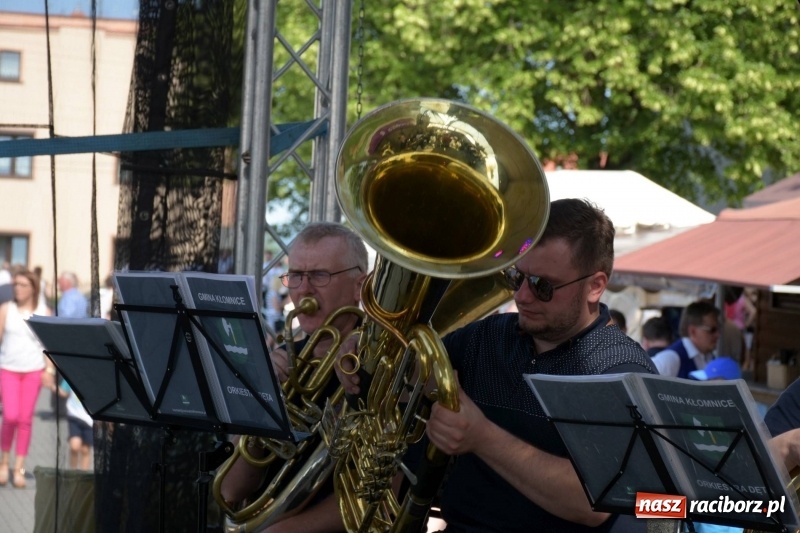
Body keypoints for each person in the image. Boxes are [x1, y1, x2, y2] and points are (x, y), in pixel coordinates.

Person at [339, 198, 657, 532]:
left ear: (595, 286)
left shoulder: (621, 370)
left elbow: (593, 501)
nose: (521, 296)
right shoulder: (489, 335)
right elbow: (418, 375)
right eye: (518, 276)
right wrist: (368, 353)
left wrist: (482, 436)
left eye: (542, 286)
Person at [219, 221, 368, 533]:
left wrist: (286, 530)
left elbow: (387, 489)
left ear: (360, 285)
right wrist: (264, 399)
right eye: (296, 275)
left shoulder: (378, 363)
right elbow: (229, 490)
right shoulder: (283, 359)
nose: (303, 289)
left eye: (319, 275)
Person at [0, 268, 53, 488]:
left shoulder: (44, 312)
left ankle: (18, 468)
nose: (18, 289)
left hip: (33, 370)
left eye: (22, 285)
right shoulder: (6, 309)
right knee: (10, 416)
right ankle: (4, 463)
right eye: (16, 285)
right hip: (8, 369)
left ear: (33, 288)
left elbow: (48, 345)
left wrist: (49, 372)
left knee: (25, 419)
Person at [650, 301, 721, 379]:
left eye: (718, 329)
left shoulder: (709, 357)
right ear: (693, 331)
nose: (717, 334)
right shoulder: (671, 358)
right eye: (712, 330)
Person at [56, 378, 94, 469]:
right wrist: (52, 386)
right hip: (74, 415)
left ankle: (84, 477)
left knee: (85, 450)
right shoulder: (73, 374)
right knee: (74, 446)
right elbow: (64, 391)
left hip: (89, 419)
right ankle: (72, 474)